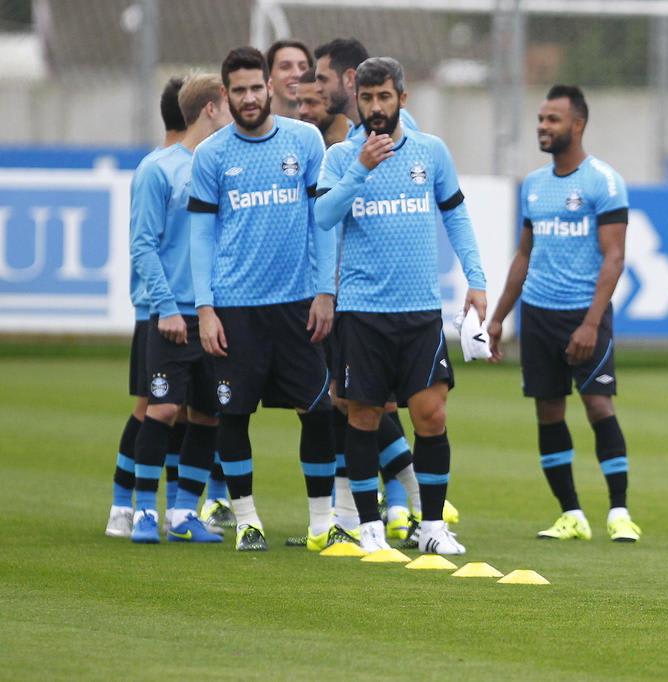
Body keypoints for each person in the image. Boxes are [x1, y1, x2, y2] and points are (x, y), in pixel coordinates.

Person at [315, 57, 485, 554]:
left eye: (384, 97)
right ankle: (369, 527)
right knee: (365, 416)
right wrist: (360, 170)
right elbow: (323, 216)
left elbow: (456, 216)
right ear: (358, 102)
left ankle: (432, 527)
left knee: (431, 415)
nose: (375, 108)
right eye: (367, 99)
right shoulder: (340, 157)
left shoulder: (430, 152)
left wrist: (476, 280)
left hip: (419, 311)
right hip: (363, 311)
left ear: (402, 99)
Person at [188, 46, 340, 552]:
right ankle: (248, 521)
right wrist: (205, 308)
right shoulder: (211, 155)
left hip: (298, 303)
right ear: (226, 96)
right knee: (233, 415)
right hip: (235, 307)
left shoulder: (305, 140)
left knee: (318, 412)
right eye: (239, 91)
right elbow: (201, 236)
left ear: (270, 88)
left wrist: (325, 291)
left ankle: (322, 525)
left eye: (257, 88)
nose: (249, 98)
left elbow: (322, 220)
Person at [487, 85, 641, 544]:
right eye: (540, 119)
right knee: (549, 413)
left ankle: (619, 512)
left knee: (598, 405)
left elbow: (614, 258)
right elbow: (523, 256)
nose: (542, 127)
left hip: (584, 313)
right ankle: (571, 514)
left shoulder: (604, 182)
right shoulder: (533, 185)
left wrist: (592, 323)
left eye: (552, 119)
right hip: (538, 315)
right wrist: (498, 319)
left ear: (577, 124)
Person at [312, 37, 431, 545]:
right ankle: (359, 515)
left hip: (384, 300)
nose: (310, 90)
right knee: (347, 402)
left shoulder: (413, 144)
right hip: (343, 296)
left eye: (319, 79)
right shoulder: (332, 146)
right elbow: (323, 217)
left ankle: (405, 506)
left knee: (370, 405)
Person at [128, 74, 233, 543]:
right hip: (173, 316)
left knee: (209, 413)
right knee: (164, 408)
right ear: (211, 109)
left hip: (219, 315)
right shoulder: (160, 169)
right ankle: (145, 511)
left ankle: (184, 514)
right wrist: (166, 307)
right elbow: (143, 246)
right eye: (229, 104)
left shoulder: (226, 167)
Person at [105, 76, 187, 538]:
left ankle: (176, 506)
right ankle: (123, 502)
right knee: (150, 406)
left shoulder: (190, 164)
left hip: (184, 307)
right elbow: (145, 244)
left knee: (180, 408)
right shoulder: (157, 168)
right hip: (156, 307)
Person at [267, 39, 312, 119]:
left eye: (303, 67)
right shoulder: (253, 128)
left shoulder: (322, 128)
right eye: (285, 67)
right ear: (268, 75)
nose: (297, 74)